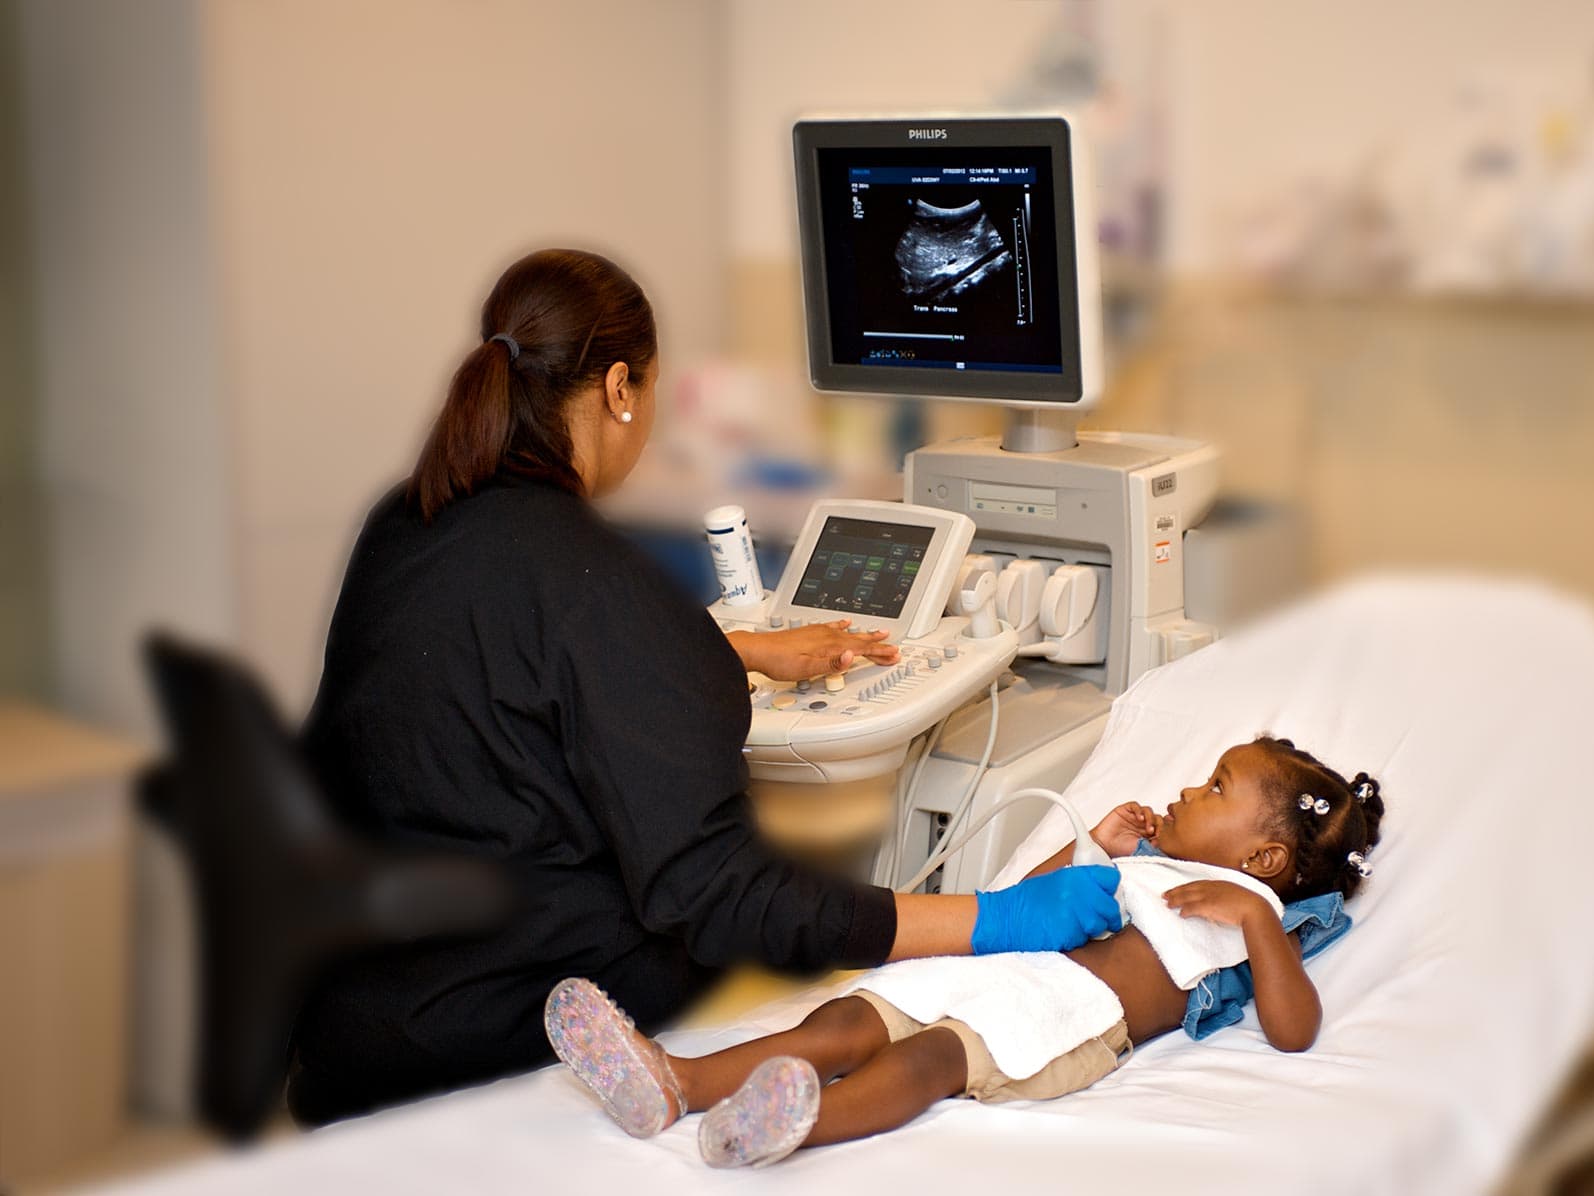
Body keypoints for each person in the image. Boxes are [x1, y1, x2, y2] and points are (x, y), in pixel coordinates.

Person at [289, 248, 1121, 1124]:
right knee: (771, 953)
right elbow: (722, 898)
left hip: (354, 1027)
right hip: (492, 1035)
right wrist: (990, 919)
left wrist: (737, 655)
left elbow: (507, 682)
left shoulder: (407, 522)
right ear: (620, 388)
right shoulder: (598, 588)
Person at [544, 736, 1386, 1168]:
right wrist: (1093, 846)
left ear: (1266, 860)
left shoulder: (1260, 917)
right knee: (846, 1018)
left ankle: (791, 1126)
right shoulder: (1145, 858)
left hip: (1062, 1019)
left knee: (932, 1062)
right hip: (999, 971)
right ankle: (677, 1082)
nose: (1185, 791)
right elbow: (1032, 907)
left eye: (1213, 791)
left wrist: (1257, 922)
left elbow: (1293, 1029)